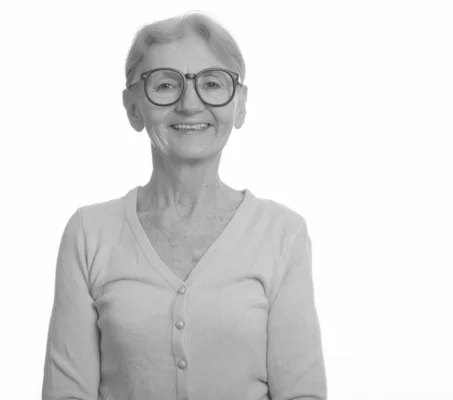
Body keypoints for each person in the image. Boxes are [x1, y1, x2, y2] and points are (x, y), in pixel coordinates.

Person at [42, 12, 327, 400]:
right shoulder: (88, 234)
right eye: (164, 85)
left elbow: (302, 394)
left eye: (212, 83)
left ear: (240, 105)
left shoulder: (283, 234)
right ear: (133, 108)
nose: (190, 104)